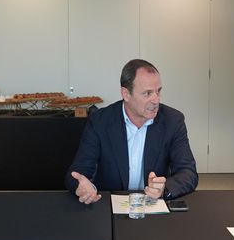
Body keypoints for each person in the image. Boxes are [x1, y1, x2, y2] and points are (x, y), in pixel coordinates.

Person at [66, 59, 198, 204]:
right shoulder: (100, 121)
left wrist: (164, 188)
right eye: (147, 93)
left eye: (158, 91)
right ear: (126, 94)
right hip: (109, 204)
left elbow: (188, 173)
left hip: (152, 205)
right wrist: (84, 187)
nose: (156, 100)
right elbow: (77, 173)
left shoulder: (173, 120)